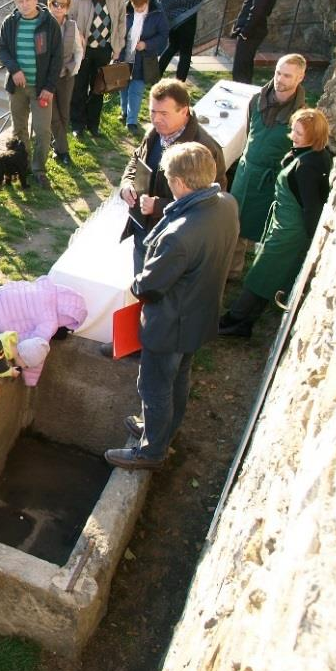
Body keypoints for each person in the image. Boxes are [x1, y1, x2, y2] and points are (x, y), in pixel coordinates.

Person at [105, 143, 238, 470]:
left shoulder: (179, 236)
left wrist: (137, 281)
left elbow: (149, 287)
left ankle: (151, 451)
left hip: (171, 322)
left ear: (179, 183)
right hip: (200, 312)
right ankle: (163, 431)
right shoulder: (225, 204)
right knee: (179, 379)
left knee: (154, 386)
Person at [221, 108, 333, 338]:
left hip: (291, 231)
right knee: (269, 274)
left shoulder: (307, 167)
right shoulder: (314, 154)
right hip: (286, 224)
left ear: (315, 136)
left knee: (261, 273)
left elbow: (311, 205)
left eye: (299, 133)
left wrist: (311, 240)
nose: (292, 136)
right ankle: (246, 321)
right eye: (293, 130)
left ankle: (236, 319)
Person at [120, 79, 227, 275]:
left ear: (184, 111)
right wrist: (127, 184)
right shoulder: (154, 133)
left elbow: (210, 204)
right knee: (142, 287)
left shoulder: (205, 150)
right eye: (153, 111)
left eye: (163, 114)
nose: (156, 119)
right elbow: (136, 159)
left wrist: (159, 206)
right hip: (143, 232)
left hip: (174, 244)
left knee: (160, 299)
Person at [228, 53, 308, 278]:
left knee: (263, 227)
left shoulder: (301, 115)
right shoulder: (257, 100)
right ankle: (231, 272)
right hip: (247, 171)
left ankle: (257, 277)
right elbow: (249, 133)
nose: (280, 80)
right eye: (278, 73)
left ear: (300, 77)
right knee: (236, 223)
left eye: (287, 76)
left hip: (271, 178)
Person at [0, 0, 63, 188]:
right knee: (19, 130)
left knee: (42, 130)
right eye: (20, 1)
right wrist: (14, 69)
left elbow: (57, 58)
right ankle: (21, 166)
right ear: (16, 3)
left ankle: (38, 169)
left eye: (28, 0)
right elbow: (2, 50)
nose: (24, 5)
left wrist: (50, 87)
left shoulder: (49, 23)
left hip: (41, 87)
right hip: (17, 88)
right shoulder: (10, 22)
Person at [70, 0, 127, 137]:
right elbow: (69, 20)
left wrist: (118, 46)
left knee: (98, 88)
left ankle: (93, 124)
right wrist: (77, 35)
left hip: (104, 49)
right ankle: (77, 125)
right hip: (83, 50)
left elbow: (122, 22)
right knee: (79, 88)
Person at [118, 0, 169, 134]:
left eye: (141, 8)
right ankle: (124, 112)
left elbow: (163, 36)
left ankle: (132, 121)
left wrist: (146, 45)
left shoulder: (158, 14)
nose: (138, 10)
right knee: (123, 86)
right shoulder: (126, 11)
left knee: (136, 89)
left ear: (147, 2)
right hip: (125, 55)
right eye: (136, 8)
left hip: (143, 59)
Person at [231, 0, 282, 84]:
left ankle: (242, 96)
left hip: (251, 30)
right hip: (253, 29)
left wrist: (245, 32)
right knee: (244, 65)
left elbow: (258, 8)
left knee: (241, 69)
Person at [47, 0, 83, 166]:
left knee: (64, 114)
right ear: (50, 5)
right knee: (53, 115)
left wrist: (73, 69)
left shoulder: (72, 26)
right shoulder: (43, 25)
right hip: (47, 78)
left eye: (63, 5)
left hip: (66, 76)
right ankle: (64, 151)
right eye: (55, 3)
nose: (59, 8)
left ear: (68, 8)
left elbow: (78, 50)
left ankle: (57, 146)